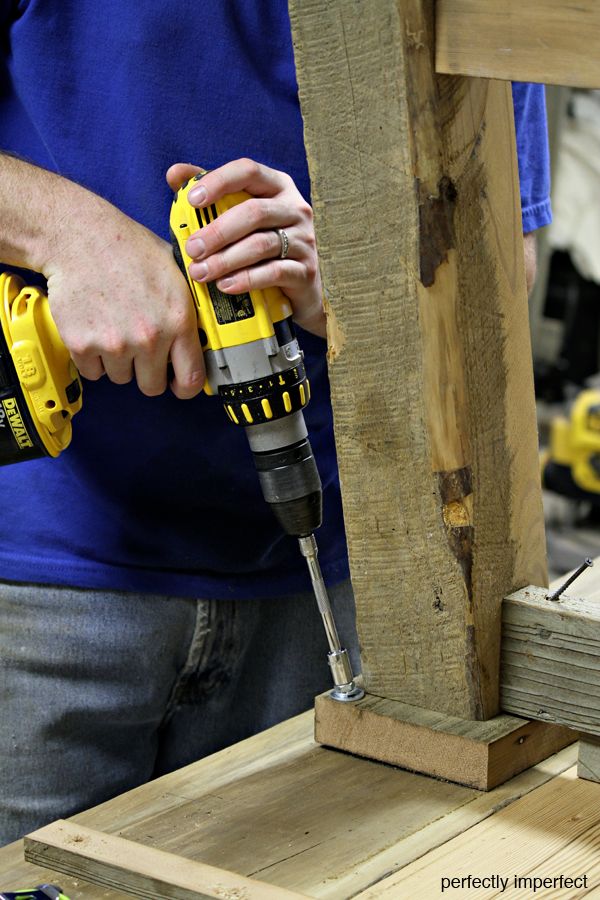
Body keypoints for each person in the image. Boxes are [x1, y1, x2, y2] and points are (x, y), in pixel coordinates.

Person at [0, 3, 551, 846]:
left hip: (334, 584)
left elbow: (503, 272)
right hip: (45, 581)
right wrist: (70, 234)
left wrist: (357, 281)